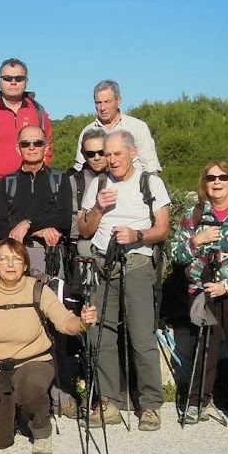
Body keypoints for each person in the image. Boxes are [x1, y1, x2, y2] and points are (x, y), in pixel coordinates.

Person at [78, 130, 171, 431]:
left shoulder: (150, 182)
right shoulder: (98, 184)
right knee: (102, 335)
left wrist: (137, 236)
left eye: (118, 153)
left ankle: (150, 405)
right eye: (107, 154)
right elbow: (84, 230)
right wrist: (98, 208)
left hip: (138, 264)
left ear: (132, 152)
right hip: (103, 264)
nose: (112, 159)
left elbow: (163, 228)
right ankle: (109, 402)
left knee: (142, 336)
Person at [0, 240, 97, 454]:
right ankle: (20, 415)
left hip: (35, 361)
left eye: (17, 259)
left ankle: (41, 429)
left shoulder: (38, 290)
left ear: (25, 265)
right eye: (4, 259)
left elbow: (64, 321)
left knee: (30, 386)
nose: (10, 264)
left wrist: (82, 323)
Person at [171, 161, 228, 430]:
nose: (217, 182)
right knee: (203, 348)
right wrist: (196, 241)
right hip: (201, 292)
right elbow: (176, 255)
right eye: (211, 178)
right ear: (205, 183)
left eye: (223, 177)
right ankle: (198, 402)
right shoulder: (194, 215)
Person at [0, 58, 53, 232]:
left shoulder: (38, 112)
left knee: (27, 235)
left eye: (19, 78)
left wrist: (38, 172)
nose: (13, 82)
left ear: (26, 82)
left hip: (29, 182)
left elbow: (48, 145)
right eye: (8, 78)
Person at [0, 125, 73, 278]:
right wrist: (38, 230)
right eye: (25, 144)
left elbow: (64, 219)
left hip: (49, 254)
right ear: (18, 148)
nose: (32, 148)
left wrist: (28, 223)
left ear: (46, 147)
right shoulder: (7, 182)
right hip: (15, 256)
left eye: (38, 143)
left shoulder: (59, 179)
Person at [72, 80, 161, 175]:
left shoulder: (138, 127)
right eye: (98, 103)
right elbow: (79, 167)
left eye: (107, 102)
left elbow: (151, 165)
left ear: (118, 101)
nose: (102, 108)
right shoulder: (87, 131)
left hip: (135, 186)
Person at [69, 127, 110, 257]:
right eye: (91, 154)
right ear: (84, 154)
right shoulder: (74, 181)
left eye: (101, 152)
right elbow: (74, 221)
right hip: (86, 247)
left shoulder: (121, 178)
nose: (96, 158)